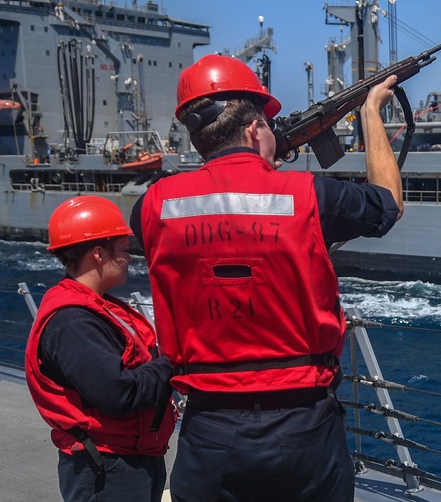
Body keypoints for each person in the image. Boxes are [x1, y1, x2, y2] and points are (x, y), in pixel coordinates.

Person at [130, 54, 403, 502]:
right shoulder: (308, 195)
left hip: (208, 433)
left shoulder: (153, 207)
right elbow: (388, 202)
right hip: (304, 431)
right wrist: (370, 111)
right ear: (256, 129)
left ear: (198, 135)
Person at [24, 196, 176, 502]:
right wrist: (175, 362)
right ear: (98, 253)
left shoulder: (97, 307)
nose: (130, 258)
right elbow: (118, 393)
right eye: (122, 250)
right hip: (107, 468)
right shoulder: (72, 322)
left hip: (131, 457)